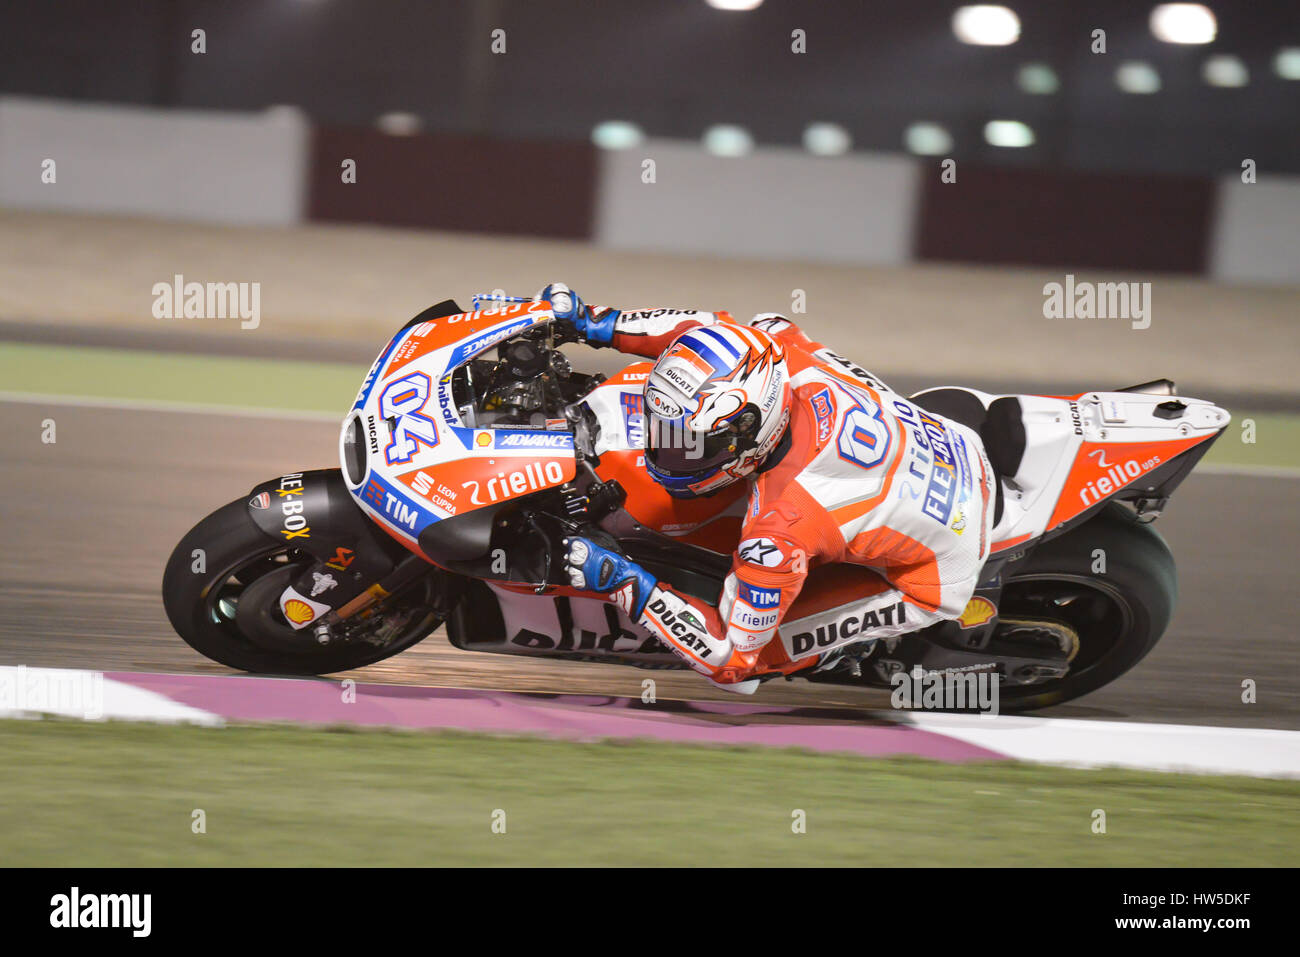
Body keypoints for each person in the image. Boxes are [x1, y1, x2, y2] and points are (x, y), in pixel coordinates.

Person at [541, 283, 995, 694]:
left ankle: (837, 650)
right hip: (945, 444)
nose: (666, 449)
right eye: (665, 431)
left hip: (935, 567)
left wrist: (622, 581)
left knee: (757, 656)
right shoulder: (775, 349)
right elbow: (703, 331)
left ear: (750, 432)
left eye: (692, 445)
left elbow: (728, 659)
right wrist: (590, 321)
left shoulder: (780, 527)